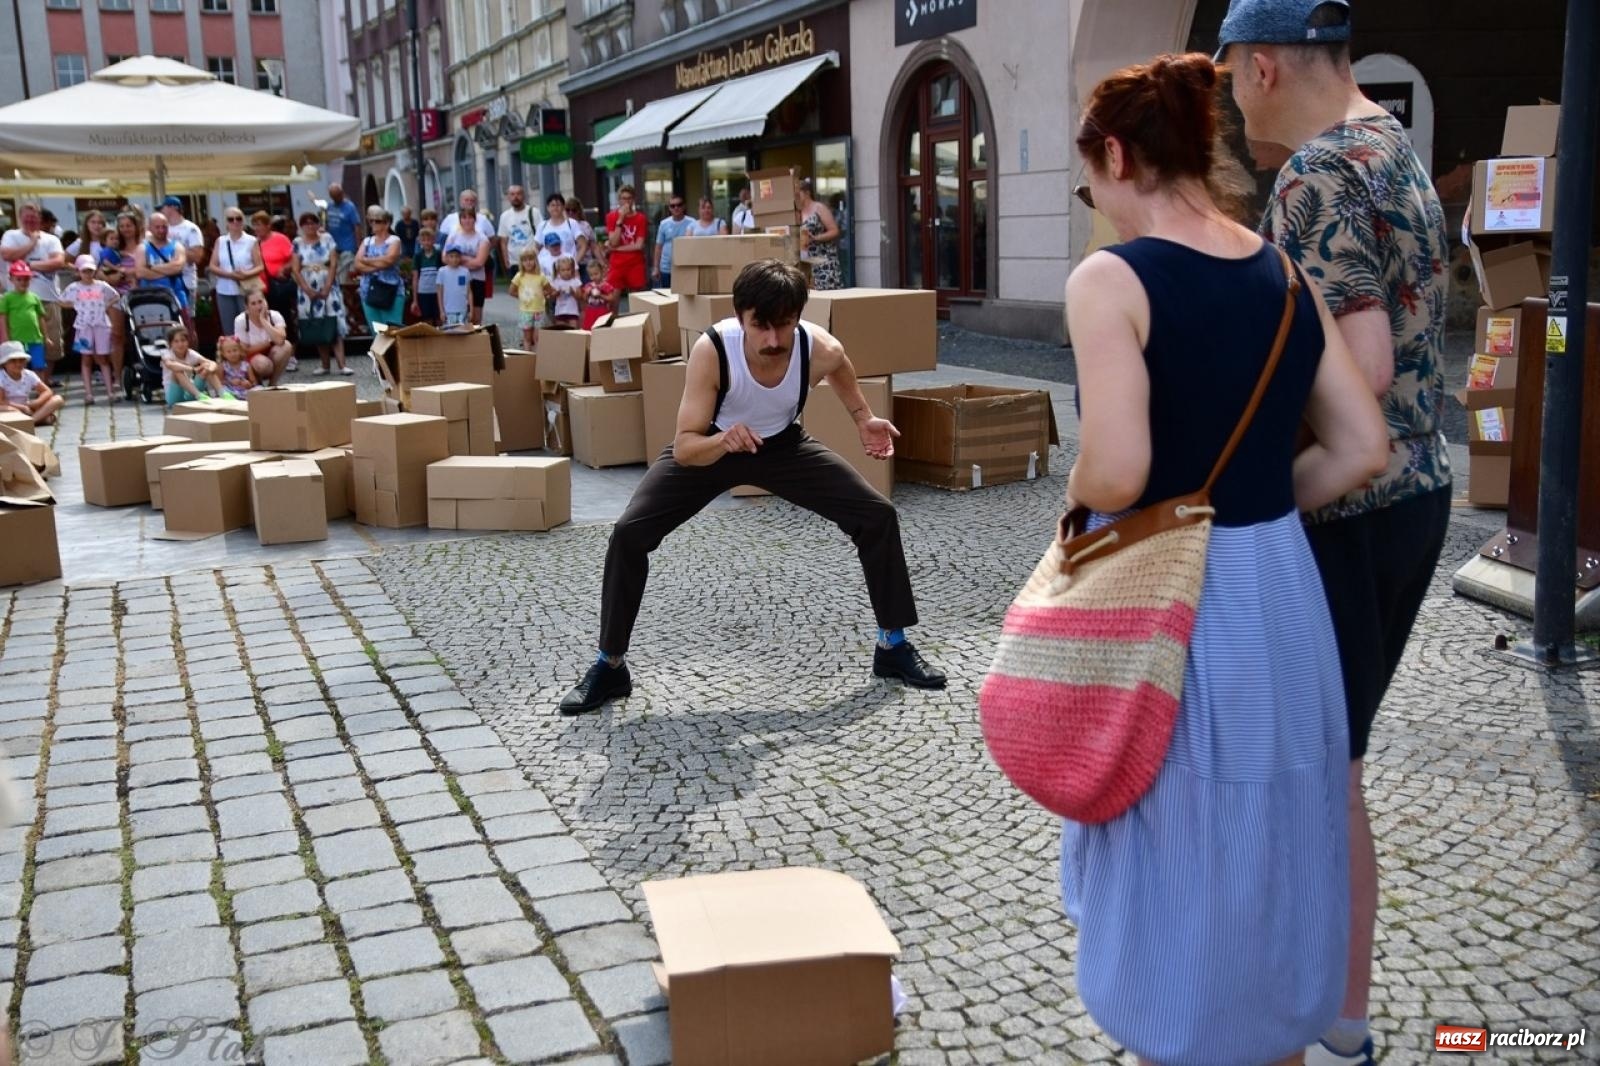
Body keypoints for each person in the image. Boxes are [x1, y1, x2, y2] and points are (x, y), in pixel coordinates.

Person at [1058, 52, 1389, 1066]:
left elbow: (1118, 468)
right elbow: (1361, 447)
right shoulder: (1281, 274)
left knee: (1177, 833)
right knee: (1276, 826)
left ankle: (1183, 1030)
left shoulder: (1110, 279)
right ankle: (1280, 1037)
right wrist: (1253, 514)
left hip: (1173, 594)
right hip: (1276, 589)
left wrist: (1077, 499)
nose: (1095, 200)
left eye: (1090, 177)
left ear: (1118, 156)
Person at [1221, 3, 1453, 1063]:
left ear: (1263, 66)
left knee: (1321, 778)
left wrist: (1252, 493)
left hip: (1351, 509)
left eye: (1233, 71)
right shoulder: (1389, 142)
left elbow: (1357, 371)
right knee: (1335, 767)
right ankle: (1333, 1012)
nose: (1232, 95)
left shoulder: (1314, 173)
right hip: (1414, 494)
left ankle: (1330, 1022)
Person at [555, 258, 947, 715]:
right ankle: (610, 665)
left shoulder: (819, 347)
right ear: (741, 317)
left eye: (784, 324)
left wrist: (863, 418)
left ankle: (892, 646)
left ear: (798, 317)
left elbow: (840, 366)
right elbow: (685, 447)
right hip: (713, 446)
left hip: (783, 447)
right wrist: (723, 441)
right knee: (628, 534)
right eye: (761, 326)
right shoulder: (712, 351)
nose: (773, 340)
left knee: (876, 515)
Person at [1, 203, 67, 383]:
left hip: (48, 298)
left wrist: (29, 265)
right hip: (16, 300)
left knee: (51, 345)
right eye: (27, 217)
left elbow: (58, 262)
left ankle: (43, 384)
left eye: (34, 217)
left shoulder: (51, 239)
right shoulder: (10, 235)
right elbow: (7, 255)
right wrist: (31, 243)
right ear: (20, 217)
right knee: (17, 349)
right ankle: (20, 385)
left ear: (40, 218)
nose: (30, 220)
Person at [291, 211, 349, 376]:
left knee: (334, 321)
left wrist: (328, 286)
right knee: (317, 323)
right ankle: (325, 365)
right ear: (301, 226)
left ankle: (342, 365)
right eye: (306, 223)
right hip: (307, 284)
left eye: (313, 222)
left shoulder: (327, 238)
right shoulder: (297, 243)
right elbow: (295, 269)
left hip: (327, 282)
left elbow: (333, 264)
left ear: (318, 224)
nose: (310, 226)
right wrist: (306, 289)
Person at [61, 256, 121, 404]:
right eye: (84, 271)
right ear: (78, 272)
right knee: (86, 358)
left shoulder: (101, 286)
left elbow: (116, 296)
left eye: (90, 271)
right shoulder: (74, 287)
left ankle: (110, 391)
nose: (88, 274)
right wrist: (76, 305)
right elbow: (61, 301)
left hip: (101, 324)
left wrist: (105, 305)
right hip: (84, 326)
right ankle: (88, 393)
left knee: (102, 357)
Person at [134, 212, 194, 336]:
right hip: (151, 298)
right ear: (150, 228)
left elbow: (178, 267)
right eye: (157, 227)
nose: (161, 230)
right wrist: (168, 270)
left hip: (176, 296)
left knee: (187, 331)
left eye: (164, 227)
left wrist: (151, 267)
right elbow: (140, 272)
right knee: (154, 333)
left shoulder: (177, 246)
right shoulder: (142, 248)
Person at [209, 207, 264, 329]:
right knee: (229, 328)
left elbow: (260, 266)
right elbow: (212, 266)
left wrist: (246, 274)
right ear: (226, 223)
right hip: (224, 290)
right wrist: (229, 275)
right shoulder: (221, 241)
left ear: (243, 221)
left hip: (246, 290)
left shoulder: (251, 241)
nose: (235, 222)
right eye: (231, 219)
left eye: (238, 219)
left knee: (250, 326)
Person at [254, 210, 299, 354]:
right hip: (261, 288)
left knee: (284, 318)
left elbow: (294, 259)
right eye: (255, 225)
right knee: (266, 320)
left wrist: (284, 268)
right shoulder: (254, 242)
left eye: (259, 225)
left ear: (268, 225)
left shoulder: (280, 239)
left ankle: (291, 352)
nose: (257, 228)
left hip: (278, 286)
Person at [354, 207, 406, 333]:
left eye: (377, 221)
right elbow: (357, 264)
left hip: (391, 290)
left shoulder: (394, 240)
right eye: (371, 221)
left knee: (392, 330)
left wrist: (366, 260)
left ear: (386, 223)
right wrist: (379, 264)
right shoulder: (367, 241)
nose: (373, 224)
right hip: (368, 290)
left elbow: (389, 260)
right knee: (376, 331)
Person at [441, 206, 491, 326]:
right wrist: (469, 259)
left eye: (470, 218)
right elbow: (445, 258)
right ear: (460, 220)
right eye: (464, 218)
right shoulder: (454, 236)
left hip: (477, 279)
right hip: (457, 278)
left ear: (475, 220)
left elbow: (479, 262)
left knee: (476, 316)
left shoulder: (482, 238)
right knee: (459, 313)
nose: (467, 221)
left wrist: (458, 259)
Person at [234, 290, 293, 385]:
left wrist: (263, 320)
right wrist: (269, 343)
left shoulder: (275, 315)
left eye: (260, 302)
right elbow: (244, 350)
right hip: (252, 357)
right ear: (247, 307)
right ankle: (257, 383)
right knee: (263, 365)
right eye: (253, 304)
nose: (258, 306)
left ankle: (272, 384)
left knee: (287, 346)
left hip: (271, 353)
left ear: (266, 302)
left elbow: (280, 340)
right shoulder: (241, 320)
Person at [158, 196, 205, 312]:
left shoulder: (191, 229)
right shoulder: (161, 229)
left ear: (173, 208)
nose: (161, 211)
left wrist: (174, 247)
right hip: (164, 282)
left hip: (186, 281)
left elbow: (197, 257)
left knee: (187, 317)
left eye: (163, 208)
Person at [0, 341, 64, 426]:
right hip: (11, 407)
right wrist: (22, 408)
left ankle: (32, 421)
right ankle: (39, 419)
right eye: (13, 361)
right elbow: (2, 401)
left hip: (28, 406)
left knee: (58, 399)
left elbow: (47, 391)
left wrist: (37, 402)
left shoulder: (29, 374)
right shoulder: (1, 377)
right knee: (8, 410)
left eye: (21, 360)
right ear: (4, 363)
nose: (18, 364)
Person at [0, 262, 47, 373]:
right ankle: (20, 384)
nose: (23, 282)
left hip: (35, 339)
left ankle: (40, 384)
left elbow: (40, 317)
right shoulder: (7, 298)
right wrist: (5, 337)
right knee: (19, 366)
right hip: (16, 340)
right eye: (19, 279)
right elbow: (3, 318)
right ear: (11, 279)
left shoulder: (35, 297)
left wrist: (46, 336)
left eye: (26, 279)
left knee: (39, 365)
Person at [604, 185, 649, 299]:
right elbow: (614, 242)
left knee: (637, 300)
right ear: (619, 200)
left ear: (633, 199)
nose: (626, 202)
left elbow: (638, 245)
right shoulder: (611, 216)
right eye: (623, 198)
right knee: (613, 299)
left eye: (629, 198)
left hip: (635, 263)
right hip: (617, 264)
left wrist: (616, 249)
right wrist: (620, 219)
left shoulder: (641, 218)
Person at [797, 179, 843, 290]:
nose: (796, 197)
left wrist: (817, 238)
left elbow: (834, 230)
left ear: (807, 193)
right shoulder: (797, 211)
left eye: (798, 193)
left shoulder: (819, 208)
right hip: (807, 261)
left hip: (824, 260)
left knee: (827, 290)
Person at [161, 325, 222, 407]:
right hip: (175, 398)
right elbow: (170, 365)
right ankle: (199, 395)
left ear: (187, 341)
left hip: (190, 393)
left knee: (207, 366)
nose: (180, 344)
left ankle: (223, 393)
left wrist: (209, 368)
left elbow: (212, 363)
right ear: (170, 344)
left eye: (183, 340)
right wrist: (192, 369)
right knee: (177, 371)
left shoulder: (191, 353)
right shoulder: (167, 354)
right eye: (176, 341)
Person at [498, 185, 542, 277]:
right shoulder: (505, 216)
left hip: (533, 261)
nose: (515, 197)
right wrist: (506, 260)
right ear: (508, 197)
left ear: (523, 195)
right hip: (514, 263)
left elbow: (541, 235)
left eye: (518, 194)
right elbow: (503, 241)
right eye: (512, 194)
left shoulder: (534, 212)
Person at [324, 183, 362, 284]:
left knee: (344, 277)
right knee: (335, 274)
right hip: (334, 247)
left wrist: (358, 246)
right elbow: (326, 224)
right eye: (334, 196)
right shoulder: (329, 206)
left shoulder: (350, 207)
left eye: (338, 195)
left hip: (348, 247)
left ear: (342, 193)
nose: (337, 198)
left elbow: (356, 226)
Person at [653, 194, 693, 290]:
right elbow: (658, 247)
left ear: (684, 206)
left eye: (679, 205)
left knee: (685, 295)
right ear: (669, 208)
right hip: (666, 268)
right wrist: (656, 267)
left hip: (685, 267)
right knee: (667, 296)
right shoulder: (663, 224)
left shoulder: (692, 223)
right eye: (672, 206)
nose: (676, 208)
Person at [509, 249, 546, 349]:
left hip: (539, 311)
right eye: (525, 260)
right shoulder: (519, 276)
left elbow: (548, 290)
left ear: (535, 261)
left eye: (530, 259)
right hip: (525, 311)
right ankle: (528, 355)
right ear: (521, 263)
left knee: (538, 337)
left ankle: (539, 356)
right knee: (527, 337)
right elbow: (511, 291)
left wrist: (542, 295)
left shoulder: (541, 276)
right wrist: (523, 297)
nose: (528, 262)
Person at [537, 193, 585, 261]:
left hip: (567, 265)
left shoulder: (571, 223)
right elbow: (536, 247)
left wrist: (574, 263)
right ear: (548, 208)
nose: (555, 208)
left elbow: (583, 245)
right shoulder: (542, 225)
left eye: (558, 205)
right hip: (546, 266)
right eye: (552, 205)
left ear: (563, 207)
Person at [410, 226, 442, 326]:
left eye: (429, 240)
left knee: (439, 318)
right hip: (423, 293)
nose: (426, 243)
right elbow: (415, 278)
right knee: (427, 319)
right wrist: (415, 300)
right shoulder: (418, 256)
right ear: (420, 241)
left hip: (437, 292)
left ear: (434, 240)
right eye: (423, 240)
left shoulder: (438, 254)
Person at [437, 245, 472, 327]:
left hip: (463, 310)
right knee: (450, 332)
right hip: (448, 311)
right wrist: (441, 311)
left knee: (463, 331)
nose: (454, 259)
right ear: (446, 257)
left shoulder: (465, 271)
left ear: (460, 257)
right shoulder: (442, 271)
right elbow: (440, 292)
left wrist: (471, 310)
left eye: (457, 256)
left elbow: (469, 292)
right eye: (451, 256)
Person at [215, 335, 257, 399]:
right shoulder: (222, 366)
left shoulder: (246, 365)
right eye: (229, 352)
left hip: (244, 390)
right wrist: (230, 382)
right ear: (223, 354)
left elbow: (254, 382)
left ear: (240, 351)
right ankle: (231, 398)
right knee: (223, 390)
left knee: (258, 389)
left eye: (235, 350)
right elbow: (219, 381)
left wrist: (248, 384)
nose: (232, 354)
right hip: (230, 389)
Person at [567, 196, 600, 275]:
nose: (570, 213)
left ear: (578, 211)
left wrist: (602, 262)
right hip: (568, 264)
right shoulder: (562, 226)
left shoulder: (585, 226)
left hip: (586, 263)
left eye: (573, 210)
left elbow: (594, 246)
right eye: (568, 210)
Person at [547, 256, 582, 329]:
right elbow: (551, 296)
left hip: (572, 311)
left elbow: (580, 296)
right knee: (561, 330)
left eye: (568, 269)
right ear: (558, 271)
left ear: (572, 269)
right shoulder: (556, 282)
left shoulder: (576, 281)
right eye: (563, 270)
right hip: (560, 311)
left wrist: (573, 292)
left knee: (573, 330)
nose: (566, 272)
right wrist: (558, 292)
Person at [580, 260, 616, 330]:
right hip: (591, 311)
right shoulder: (588, 285)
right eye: (591, 275)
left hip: (602, 310)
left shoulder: (605, 285)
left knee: (601, 328)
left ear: (602, 272)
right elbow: (584, 298)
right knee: (589, 329)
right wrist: (587, 293)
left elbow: (611, 298)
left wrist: (600, 295)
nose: (594, 277)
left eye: (596, 274)